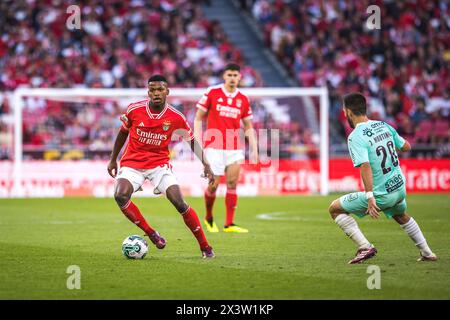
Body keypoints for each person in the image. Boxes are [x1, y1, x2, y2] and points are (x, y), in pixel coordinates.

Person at [107, 75, 215, 258]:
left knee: (179, 202)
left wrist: (206, 164)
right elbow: (122, 133)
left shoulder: (175, 117)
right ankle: (151, 233)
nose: (156, 93)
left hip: (159, 165)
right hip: (132, 163)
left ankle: (205, 247)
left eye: (160, 89)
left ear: (167, 92)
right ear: (148, 92)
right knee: (120, 195)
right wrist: (112, 159)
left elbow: (192, 141)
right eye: (153, 90)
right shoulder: (134, 110)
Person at [328, 92, 438, 264]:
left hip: (381, 195)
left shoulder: (355, 137)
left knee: (334, 209)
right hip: (399, 188)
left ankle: (365, 247)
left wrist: (370, 197)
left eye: (344, 111)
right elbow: (406, 147)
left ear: (348, 112)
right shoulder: (384, 125)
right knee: (400, 215)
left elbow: (365, 166)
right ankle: (427, 253)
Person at [194, 63, 258, 233]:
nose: (232, 78)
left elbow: (248, 125)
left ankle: (229, 224)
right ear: (224, 76)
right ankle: (209, 217)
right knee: (214, 184)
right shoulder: (212, 92)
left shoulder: (243, 99)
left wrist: (254, 148)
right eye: (229, 75)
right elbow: (199, 116)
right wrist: (197, 139)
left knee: (232, 183)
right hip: (214, 145)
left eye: (235, 75)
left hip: (234, 146)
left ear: (239, 77)